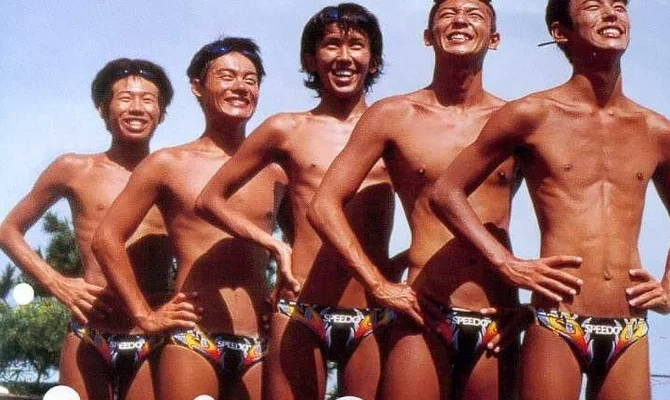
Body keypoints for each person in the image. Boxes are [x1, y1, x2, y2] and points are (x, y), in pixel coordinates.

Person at [430, 1, 670, 399]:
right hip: (557, 320)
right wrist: (507, 265)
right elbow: (446, 192)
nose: (611, 14)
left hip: (630, 326)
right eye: (593, 6)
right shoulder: (532, 115)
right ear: (561, 31)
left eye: (618, 6)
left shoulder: (658, 131)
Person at [308, 1, 581, 399]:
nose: (460, 20)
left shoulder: (516, 122)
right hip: (422, 313)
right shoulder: (393, 115)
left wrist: (535, 307)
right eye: (447, 13)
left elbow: (567, 207)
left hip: (496, 318)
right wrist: (378, 285)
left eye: (475, 14)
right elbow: (323, 205)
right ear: (428, 36)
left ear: (495, 39)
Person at [195, 5, 395, 399]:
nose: (344, 56)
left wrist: (408, 262)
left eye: (356, 45)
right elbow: (210, 200)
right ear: (310, 60)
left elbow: (433, 204)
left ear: (373, 61)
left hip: (372, 310)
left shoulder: (394, 127)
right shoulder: (285, 129)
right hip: (299, 306)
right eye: (331, 44)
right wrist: (275, 245)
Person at [92, 38, 287, 400]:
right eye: (226, 76)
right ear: (197, 86)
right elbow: (106, 238)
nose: (240, 87)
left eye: (250, 79)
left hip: (259, 341)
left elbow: (304, 239)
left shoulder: (276, 170)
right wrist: (144, 315)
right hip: (192, 338)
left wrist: (284, 297)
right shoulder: (168, 165)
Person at [0, 58, 174, 400]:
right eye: (125, 98)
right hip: (89, 332)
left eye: (148, 100)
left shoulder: (174, 176)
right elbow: (8, 230)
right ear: (102, 109)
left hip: (152, 334)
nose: (137, 108)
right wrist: (57, 283)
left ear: (162, 113)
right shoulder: (74, 169)